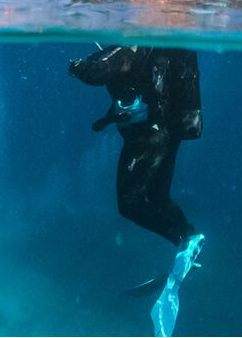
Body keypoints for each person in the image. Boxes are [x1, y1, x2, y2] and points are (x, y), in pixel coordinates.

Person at [69, 45, 205, 336]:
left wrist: (78, 67)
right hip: (169, 129)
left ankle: (182, 239)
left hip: (146, 138)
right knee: (158, 197)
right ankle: (188, 236)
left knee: (129, 203)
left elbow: (99, 71)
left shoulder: (128, 46)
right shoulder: (158, 49)